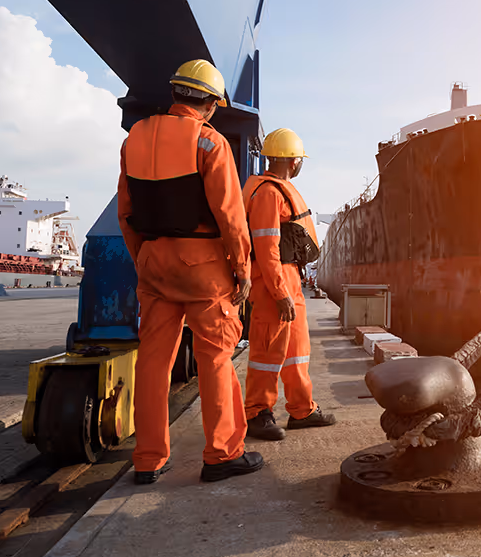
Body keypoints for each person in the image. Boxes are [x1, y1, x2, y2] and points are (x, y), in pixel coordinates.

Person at [117, 59, 264, 484]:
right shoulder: (209, 142)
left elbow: (127, 212)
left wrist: (144, 257)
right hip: (204, 269)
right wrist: (242, 271)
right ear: (213, 104)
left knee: (152, 363)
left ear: (176, 93)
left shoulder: (135, 139)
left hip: (153, 264)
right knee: (216, 359)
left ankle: (147, 460)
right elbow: (231, 217)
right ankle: (221, 454)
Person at [243, 128, 336, 441]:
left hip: (290, 278)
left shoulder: (276, 188)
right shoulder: (268, 193)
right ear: (292, 160)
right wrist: (279, 292)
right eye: (299, 158)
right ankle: (257, 413)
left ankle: (302, 410)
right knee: (267, 352)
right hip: (274, 282)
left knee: (297, 350)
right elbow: (267, 247)